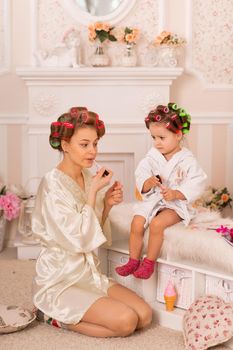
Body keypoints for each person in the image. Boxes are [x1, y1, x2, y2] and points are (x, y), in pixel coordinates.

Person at [32, 106, 152, 337]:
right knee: (125, 322)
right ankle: (51, 317)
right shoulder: (52, 185)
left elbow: (93, 231)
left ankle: (78, 310)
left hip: (88, 273)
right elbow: (77, 238)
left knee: (144, 316)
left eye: (95, 144)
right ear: (65, 145)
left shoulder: (88, 176)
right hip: (60, 278)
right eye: (84, 144)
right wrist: (93, 193)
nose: (92, 151)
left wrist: (106, 203)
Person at [116, 103, 207, 280]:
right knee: (136, 222)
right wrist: (147, 182)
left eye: (162, 138)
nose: (157, 143)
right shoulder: (152, 156)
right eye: (153, 137)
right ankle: (133, 260)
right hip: (154, 200)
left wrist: (176, 194)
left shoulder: (187, 160)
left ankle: (149, 263)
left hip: (176, 205)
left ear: (178, 135)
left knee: (157, 224)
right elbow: (141, 173)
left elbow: (197, 181)